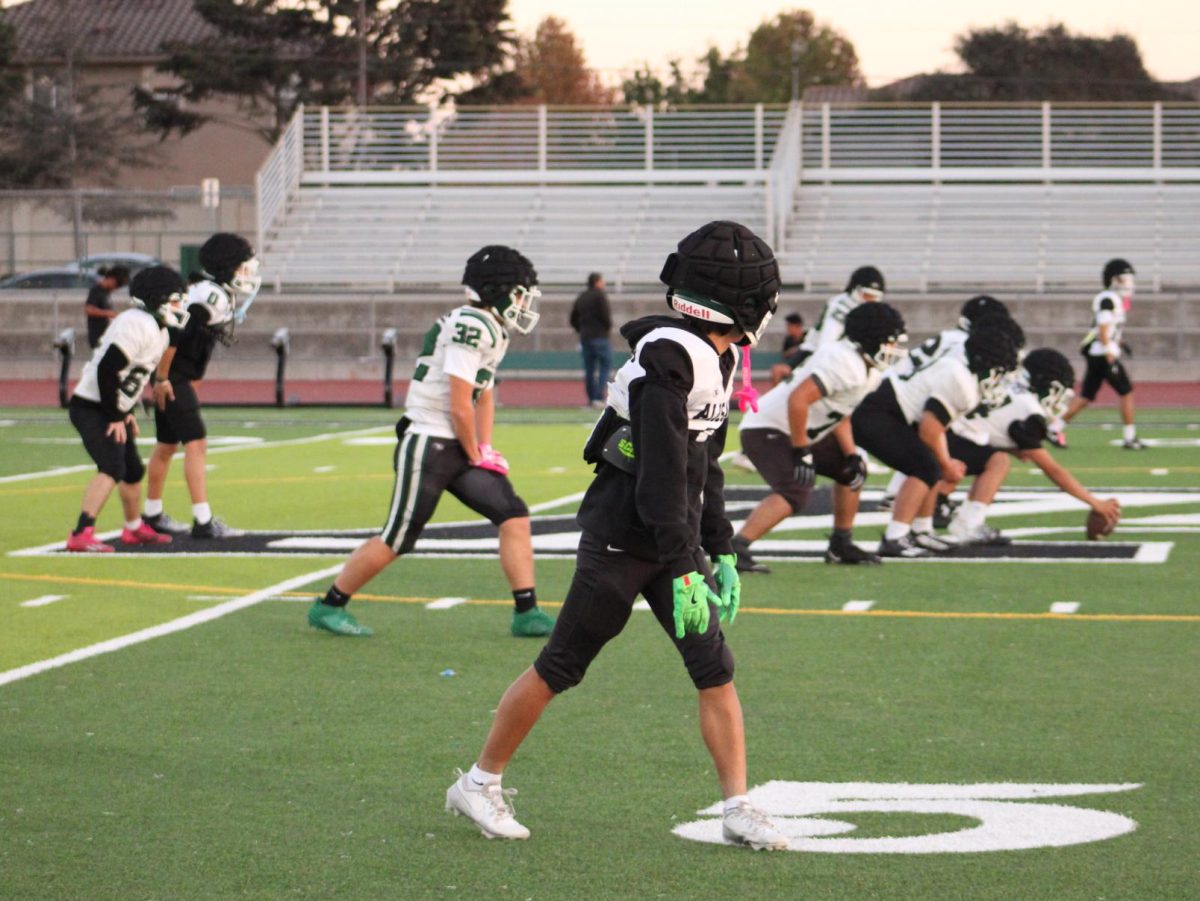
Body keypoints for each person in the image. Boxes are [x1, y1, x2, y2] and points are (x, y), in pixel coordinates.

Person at [445, 221, 788, 850]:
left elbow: (704, 463)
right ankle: (479, 781)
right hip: (625, 538)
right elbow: (659, 475)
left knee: (714, 668)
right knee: (561, 666)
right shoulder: (670, 357)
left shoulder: (718, 353)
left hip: (673, 541)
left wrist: (722, 546)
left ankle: (738, 805)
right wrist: (688, 564)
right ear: (743, 299)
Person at [307, 246, 555, 639]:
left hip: (455, 443)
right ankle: (329, 605)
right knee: (398, 538)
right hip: (429, 443)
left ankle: (527, 612)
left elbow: (484, 393)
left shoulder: (491, 327)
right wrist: (475, 450)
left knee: (513, 515)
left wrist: (484, 449)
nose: (524, 303)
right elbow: (459, 405)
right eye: (521, 293)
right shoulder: (470, 324)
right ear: (499, 290)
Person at [734, 302, 908, 572]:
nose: (893, 347)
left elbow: (839, 412)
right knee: (796, 489)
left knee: (853, 471)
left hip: (800, 429)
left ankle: (841, 542)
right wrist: (802, 450)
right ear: (872, 339)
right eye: (890, 340)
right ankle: (738, 547)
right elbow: (798, 400)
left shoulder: (866, 368)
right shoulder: (844, 361)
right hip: (768, 428)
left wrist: (850, 454)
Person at [851, 320, 1018, 557]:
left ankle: (921, 530)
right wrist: (947, 463)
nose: (1000, 380)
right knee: (925, 467)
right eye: (999, 372)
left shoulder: (959, 371)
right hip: (879, 412)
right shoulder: (962, 382)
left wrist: (944, 461)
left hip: (887, 410)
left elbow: (933, 427)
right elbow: (930, 428)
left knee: (930, 464)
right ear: (987, 365)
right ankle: (895, 537)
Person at [142, 233, 260, 539]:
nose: (246, 273)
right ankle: (203, 520)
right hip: (172, 377)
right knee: (196, 443)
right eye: (242, 267)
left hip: (172, 374)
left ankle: (152, 514)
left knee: (167, 446)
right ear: (227, 266)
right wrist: (163, 378)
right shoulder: (212, 296)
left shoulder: (207, 290)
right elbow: (177, 335)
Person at [65, 267, 189, 552]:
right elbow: (108, 370)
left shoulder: (159, 331)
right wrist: (116, 415)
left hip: (110, 405)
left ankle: (133, 529)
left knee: (132, 469)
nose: (180, 307)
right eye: (175, 300)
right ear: (157, 299)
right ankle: (81, 534)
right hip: (92, 407)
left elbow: (132, 377)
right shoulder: (137, 323)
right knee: (112, 466)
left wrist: (127, 410)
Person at [944, 348, 1121, 544]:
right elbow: (1052, 470)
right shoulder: (1030, 410)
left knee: (992, 458)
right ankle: (968, 524)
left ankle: (962, 520)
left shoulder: (1008, 383)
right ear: (1052, 387)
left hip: (946, 433)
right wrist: (1095, 503)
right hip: (949, 442)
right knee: (998, 462)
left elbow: (993, 428)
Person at [1056, 258, 1143, 450]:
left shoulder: (1113, 300)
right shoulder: (1107, 299)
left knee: (1086, 396)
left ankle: (1054, 428)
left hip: (1099, 354)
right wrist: (1110, 351)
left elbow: (1109, 329)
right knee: (1126, 392)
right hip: (1103, 354)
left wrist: (1121, 342)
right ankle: (1130, 437)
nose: (1128, 283)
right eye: (1124, 279)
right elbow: (1103, 330)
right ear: (1113, 280)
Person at [795, 265, 886, 360]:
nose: (869, 301)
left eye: (874, 297)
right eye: (866, 295)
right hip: (813, 356)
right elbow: (826, 343)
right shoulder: (842, 305)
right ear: (855, 290)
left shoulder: (872, 312)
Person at [569, 272, 613, 408]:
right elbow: (606, 317)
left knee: (589, 369)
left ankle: (591, 398)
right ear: (597, 282)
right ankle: (599, 397)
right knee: (605, 366)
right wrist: (606, 328)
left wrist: (581, 330)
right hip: (600, 337)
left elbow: (573, 319)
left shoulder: (581, 297)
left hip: (585, 337)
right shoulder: (600, 296)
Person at [84, 266, 131, 350]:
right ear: (111, 279)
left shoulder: (106, 293)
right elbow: (89, 309)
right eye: (116, 285)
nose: (115, 288)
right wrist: (108, 313)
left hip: (106, 335)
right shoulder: (96, 290)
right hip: (98, 336)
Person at [769, 312, 807, 385]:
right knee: (776, 369)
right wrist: (793, 351)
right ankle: (777, 394)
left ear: (797, 326)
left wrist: (799, 349)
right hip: (792, 366)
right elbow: (784, 354)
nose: (787, 328)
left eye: (790, 325)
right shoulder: (788, 339)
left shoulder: (807, 336)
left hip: (805, 366)